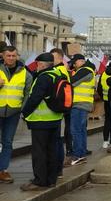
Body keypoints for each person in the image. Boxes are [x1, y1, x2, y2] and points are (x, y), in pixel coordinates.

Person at [20, 53, 63, 191]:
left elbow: (35, 98)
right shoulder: (57, 74)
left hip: (41, 120)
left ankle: (39, 180)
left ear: (42, 64)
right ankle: (51, 179)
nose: (36, 66)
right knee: (52, 150)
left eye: (37, 63)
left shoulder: (43, 77)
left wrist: (25, 112)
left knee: (39, 151)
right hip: (55, 118)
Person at [0, 46, 32, 183]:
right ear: (3, 56)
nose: (11, 58)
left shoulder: (26, 73)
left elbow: (27, 93)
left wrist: (21, 109)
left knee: (7, 142)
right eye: (8, 56)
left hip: (13, 113)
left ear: (17, 56)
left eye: (13, 56)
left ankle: (3, 170)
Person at [66, 54, 95, 166]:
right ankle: (81, 154)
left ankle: (77, 155)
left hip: (80, 104)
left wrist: (68, 72)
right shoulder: (88, 70)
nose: (74, 64)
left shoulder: (85, 70)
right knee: (81, 130)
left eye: (75, 62)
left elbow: (71, 83)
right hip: (83, 104)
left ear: (81, 61)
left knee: (76, 130)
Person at [97, 66, 111, 149]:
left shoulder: (103, 74)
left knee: (108, 120)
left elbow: (99, 89)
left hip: (106, 100)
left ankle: (105, 141)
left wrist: (103, 97)